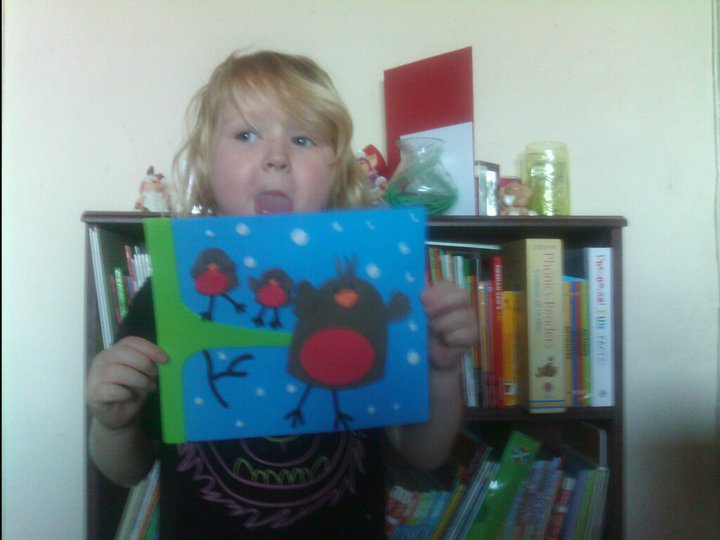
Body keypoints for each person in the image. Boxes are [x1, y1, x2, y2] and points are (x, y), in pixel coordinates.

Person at [87, 50, 478, 539]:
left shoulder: (368, 289)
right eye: (246, 135)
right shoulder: (171, 293)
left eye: (303, 138)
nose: (276, 156)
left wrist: (441, 371)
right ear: (207, 163)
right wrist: (114, 424)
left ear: (336, 171)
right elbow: (125, 469)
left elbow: (422, 454)